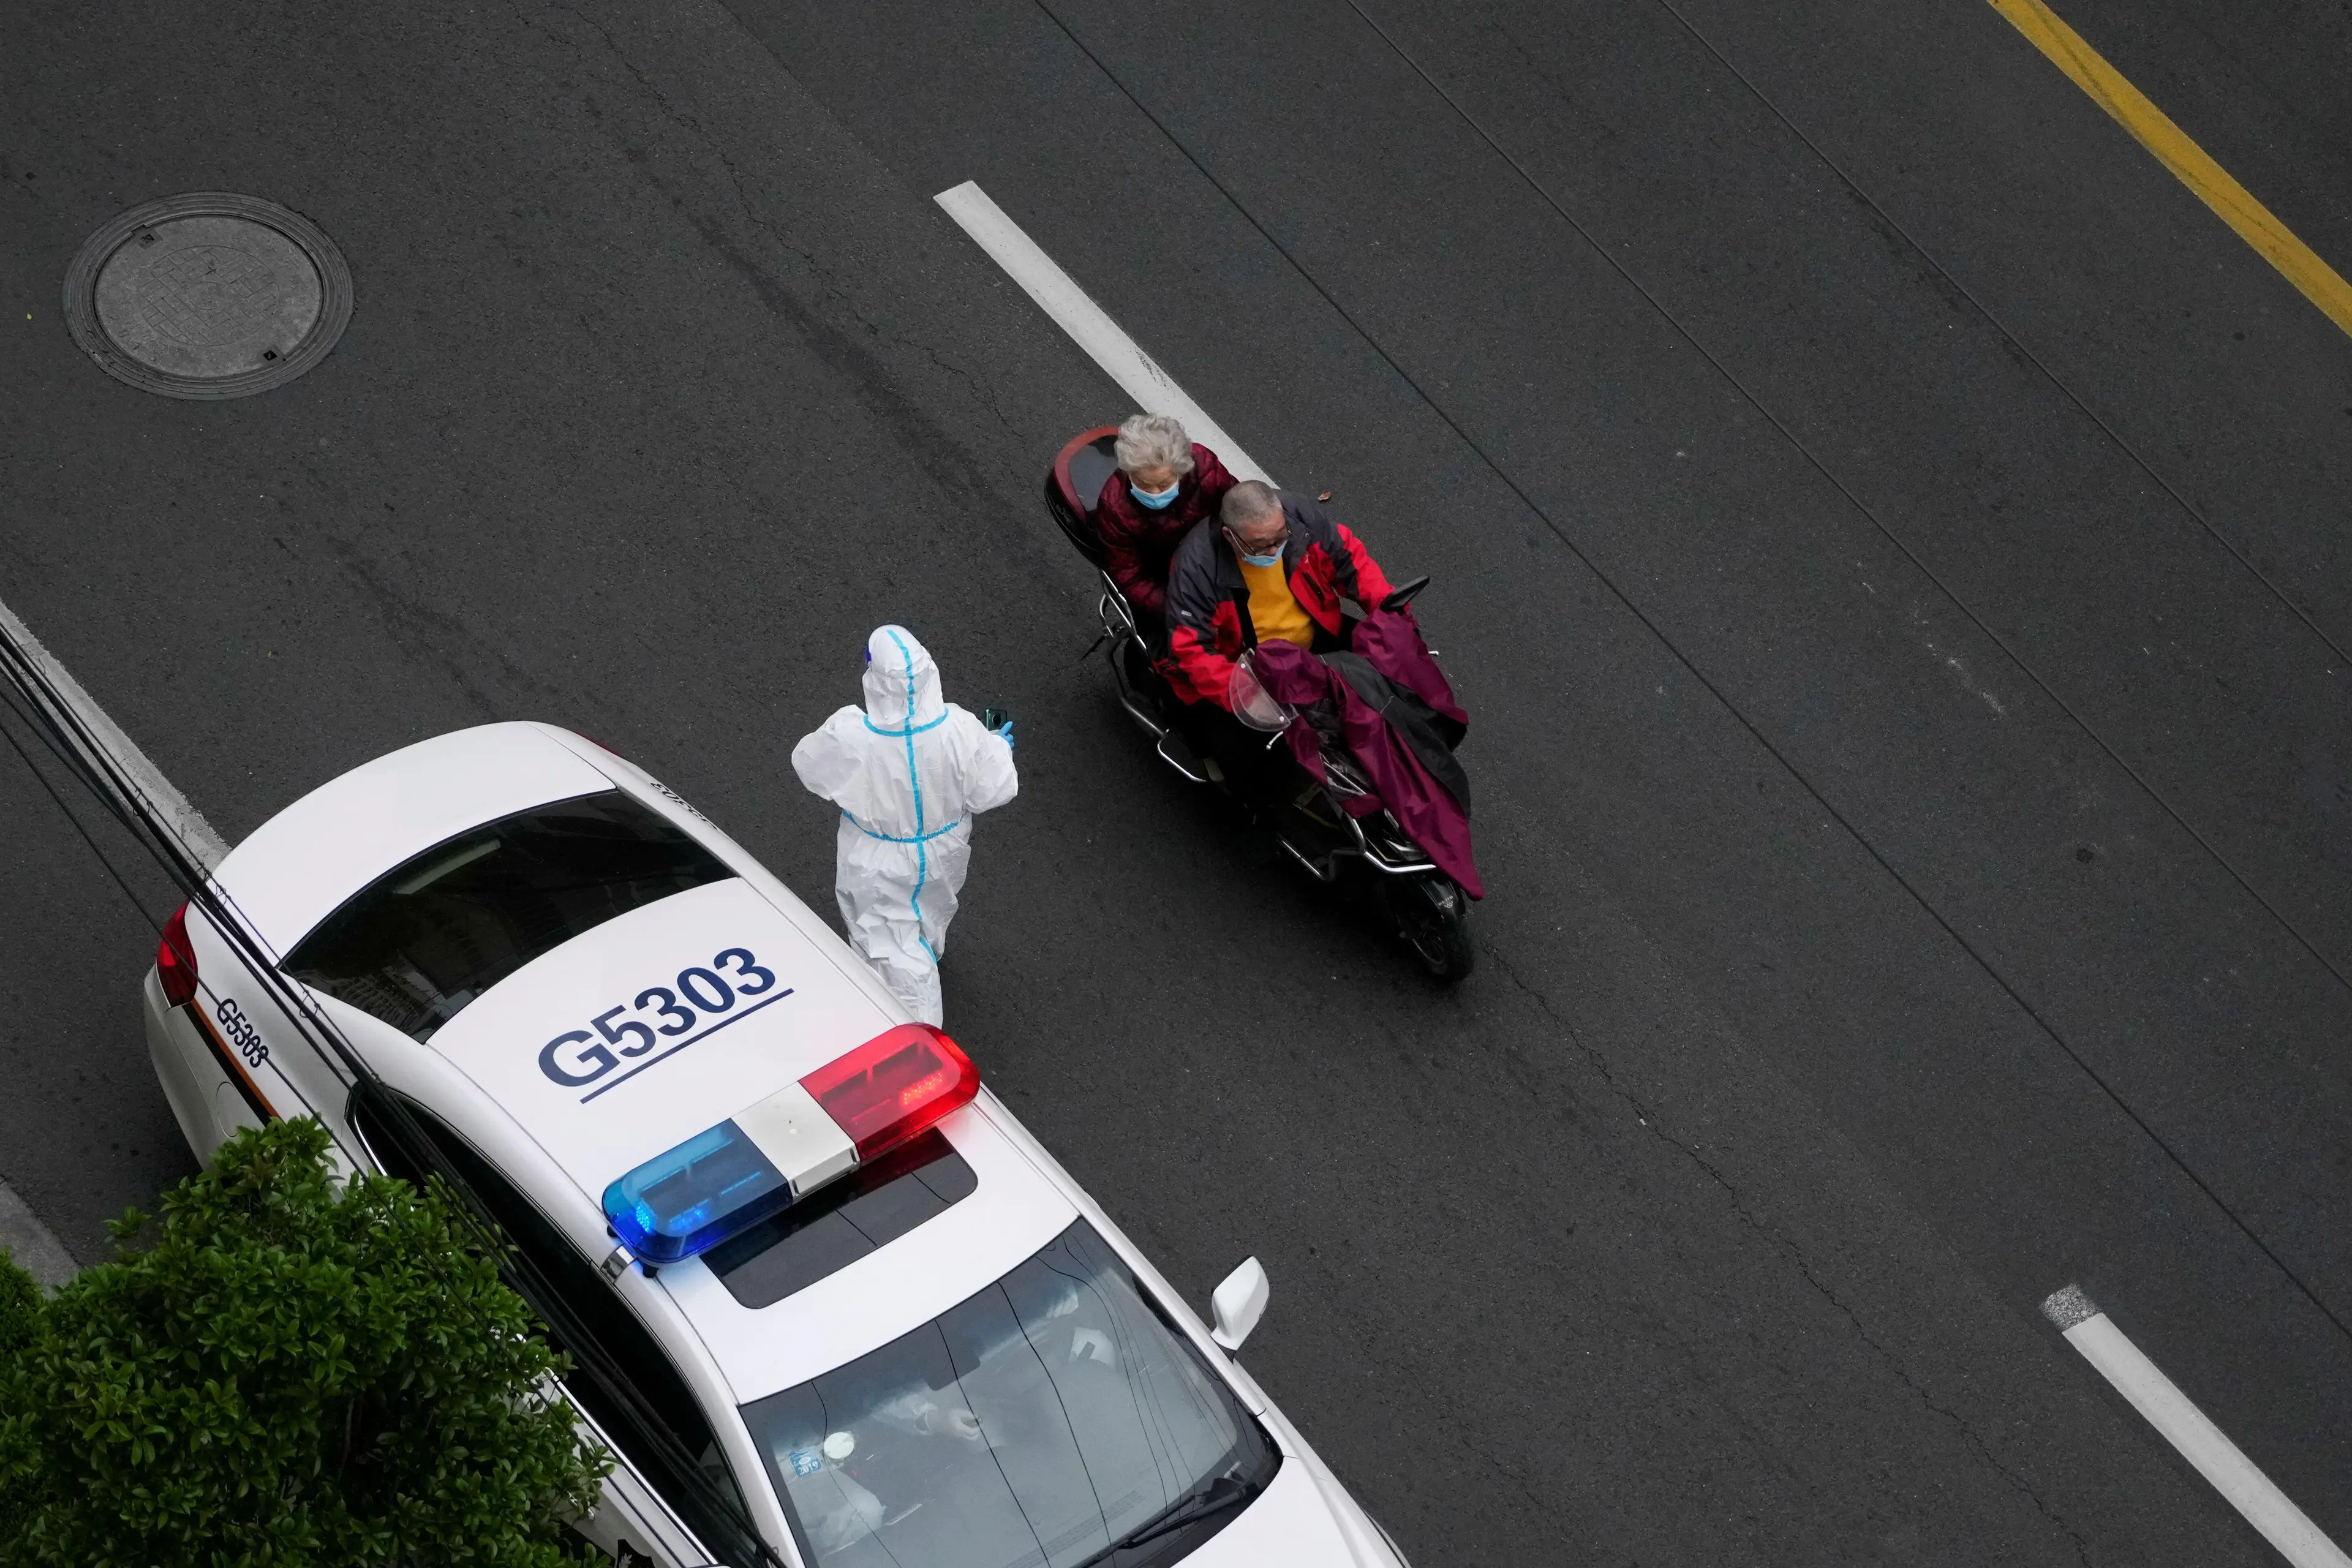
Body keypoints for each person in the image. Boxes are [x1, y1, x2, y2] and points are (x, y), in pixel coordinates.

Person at [791, 626, 1017, 1025]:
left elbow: (809, 766)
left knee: (888, 941)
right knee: (930, 913)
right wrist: (997, 745)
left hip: (878, 857)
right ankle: (922, 954)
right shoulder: (961, 729)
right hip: (943, 849)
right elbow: (992, 791)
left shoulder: (854, 735)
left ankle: (920, 1037)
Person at [1161, 480, 1393, 800]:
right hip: (1248, 671)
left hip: (1314, 643)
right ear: (1230, 536)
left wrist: (1392, 613)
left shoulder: (1299, 519)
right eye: (1261, 546)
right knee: (1257, 767)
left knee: (1385, 683)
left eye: (1280, 539)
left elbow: (1349, 561)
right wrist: (1248, 695)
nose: (1273, 550)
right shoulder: (1196, 567)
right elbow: (1192, 652)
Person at [1089, 412, 1237, 624]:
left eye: (1164, 484)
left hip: (1214, 558)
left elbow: (1236, 509)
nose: (1156, 494)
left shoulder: (1206, 468)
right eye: (1144, 485)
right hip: (1164, 581)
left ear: (1182, 469)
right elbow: (1131, 577)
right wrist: (1181, 608)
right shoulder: (1114, 510)